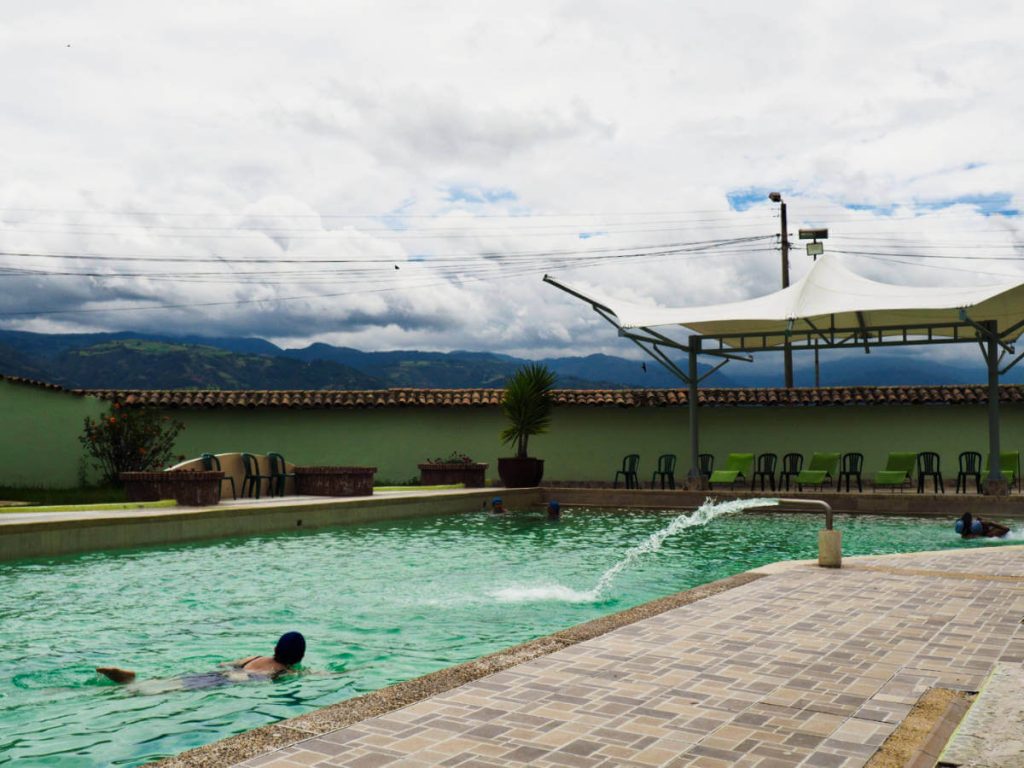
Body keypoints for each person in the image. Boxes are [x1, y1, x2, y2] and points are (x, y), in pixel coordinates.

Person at [96, 631, 306, 687]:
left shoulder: (255, 657)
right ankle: (133, 684)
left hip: (224, 674)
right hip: (236, 682)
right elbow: (318, 674)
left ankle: (134, 681)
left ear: (275, 647)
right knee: (170, 690)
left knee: (175, 682)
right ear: (299, 656)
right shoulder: (287, 672)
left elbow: (225, 663)